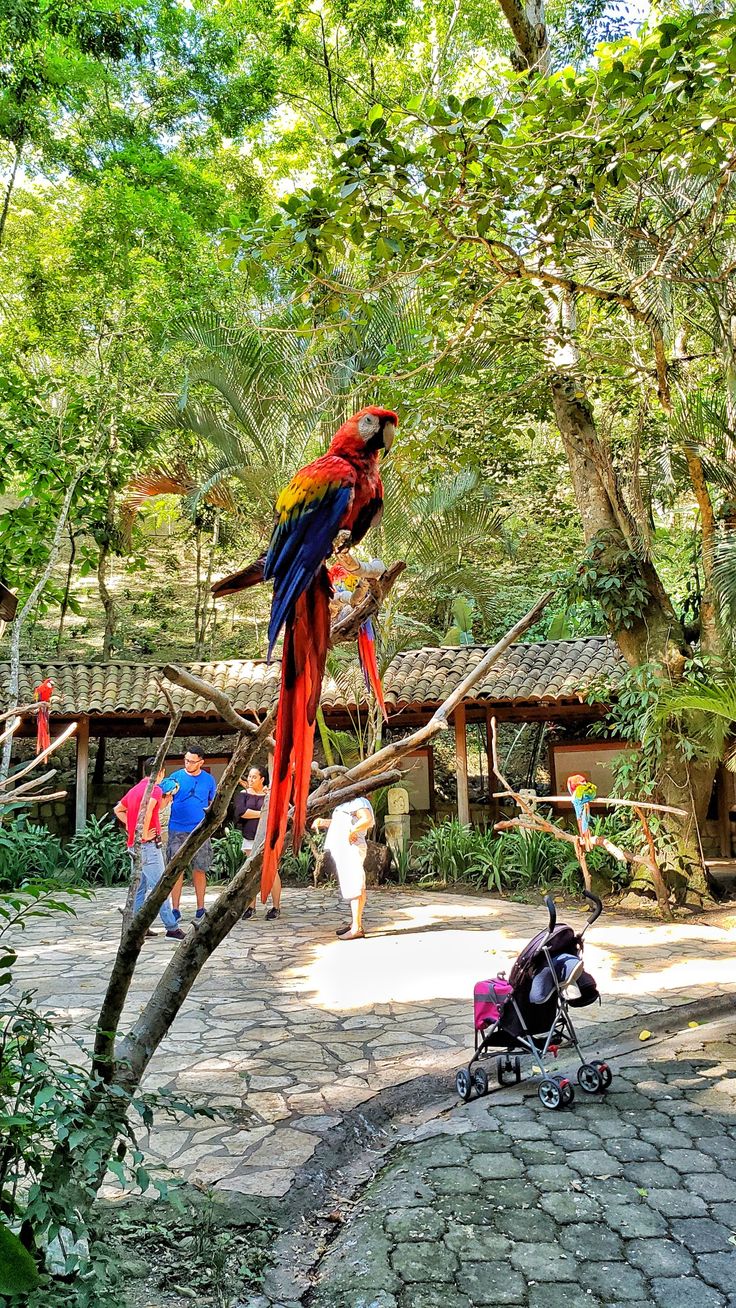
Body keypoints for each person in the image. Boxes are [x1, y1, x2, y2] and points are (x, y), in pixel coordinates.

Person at [114, 759, 186, 940]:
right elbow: (148, 810)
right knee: (160, 886)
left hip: (134, 845)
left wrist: (132, 828)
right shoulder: (155, 789)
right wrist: (144, 833)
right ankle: (171, 927)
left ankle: (137, 927)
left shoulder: (136, 788)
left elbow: (119, 809)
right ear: (160, 772)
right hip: (148, 845)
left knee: (139, 888)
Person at [163, 743, 217, 925]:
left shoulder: (209, 780)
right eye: (186, 760)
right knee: (177, 870)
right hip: (177, 829)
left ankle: (201, 907)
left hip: (200, 829)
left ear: (201, 762)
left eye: (192, 761)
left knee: (199, 869)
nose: (188, 764)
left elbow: (213, 801)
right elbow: (164, 792)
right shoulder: (175, 777)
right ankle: (175, 908)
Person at [312, 796, 374, 941]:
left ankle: (357, 928)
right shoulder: (345, 803)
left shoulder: (358, 801)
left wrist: (352, 831)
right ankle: (355, 923)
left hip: (351, 847)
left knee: (355, 885)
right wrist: (323, 822)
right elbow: (340, 824)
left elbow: (367, 818)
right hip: (344, 848)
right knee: (353, 885)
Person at [235, 765, 281, 921]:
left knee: (272, 871)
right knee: (251, 871)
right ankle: (251, 906)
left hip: (269, 837)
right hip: (250, 837)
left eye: (254, 777)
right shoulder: (243, 794)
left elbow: (276, 812)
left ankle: (275, 907)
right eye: (249, 776)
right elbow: (242, 812)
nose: (250, 779)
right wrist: (263, 813)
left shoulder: (269, 795)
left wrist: (267, 807)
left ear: (262, 779)